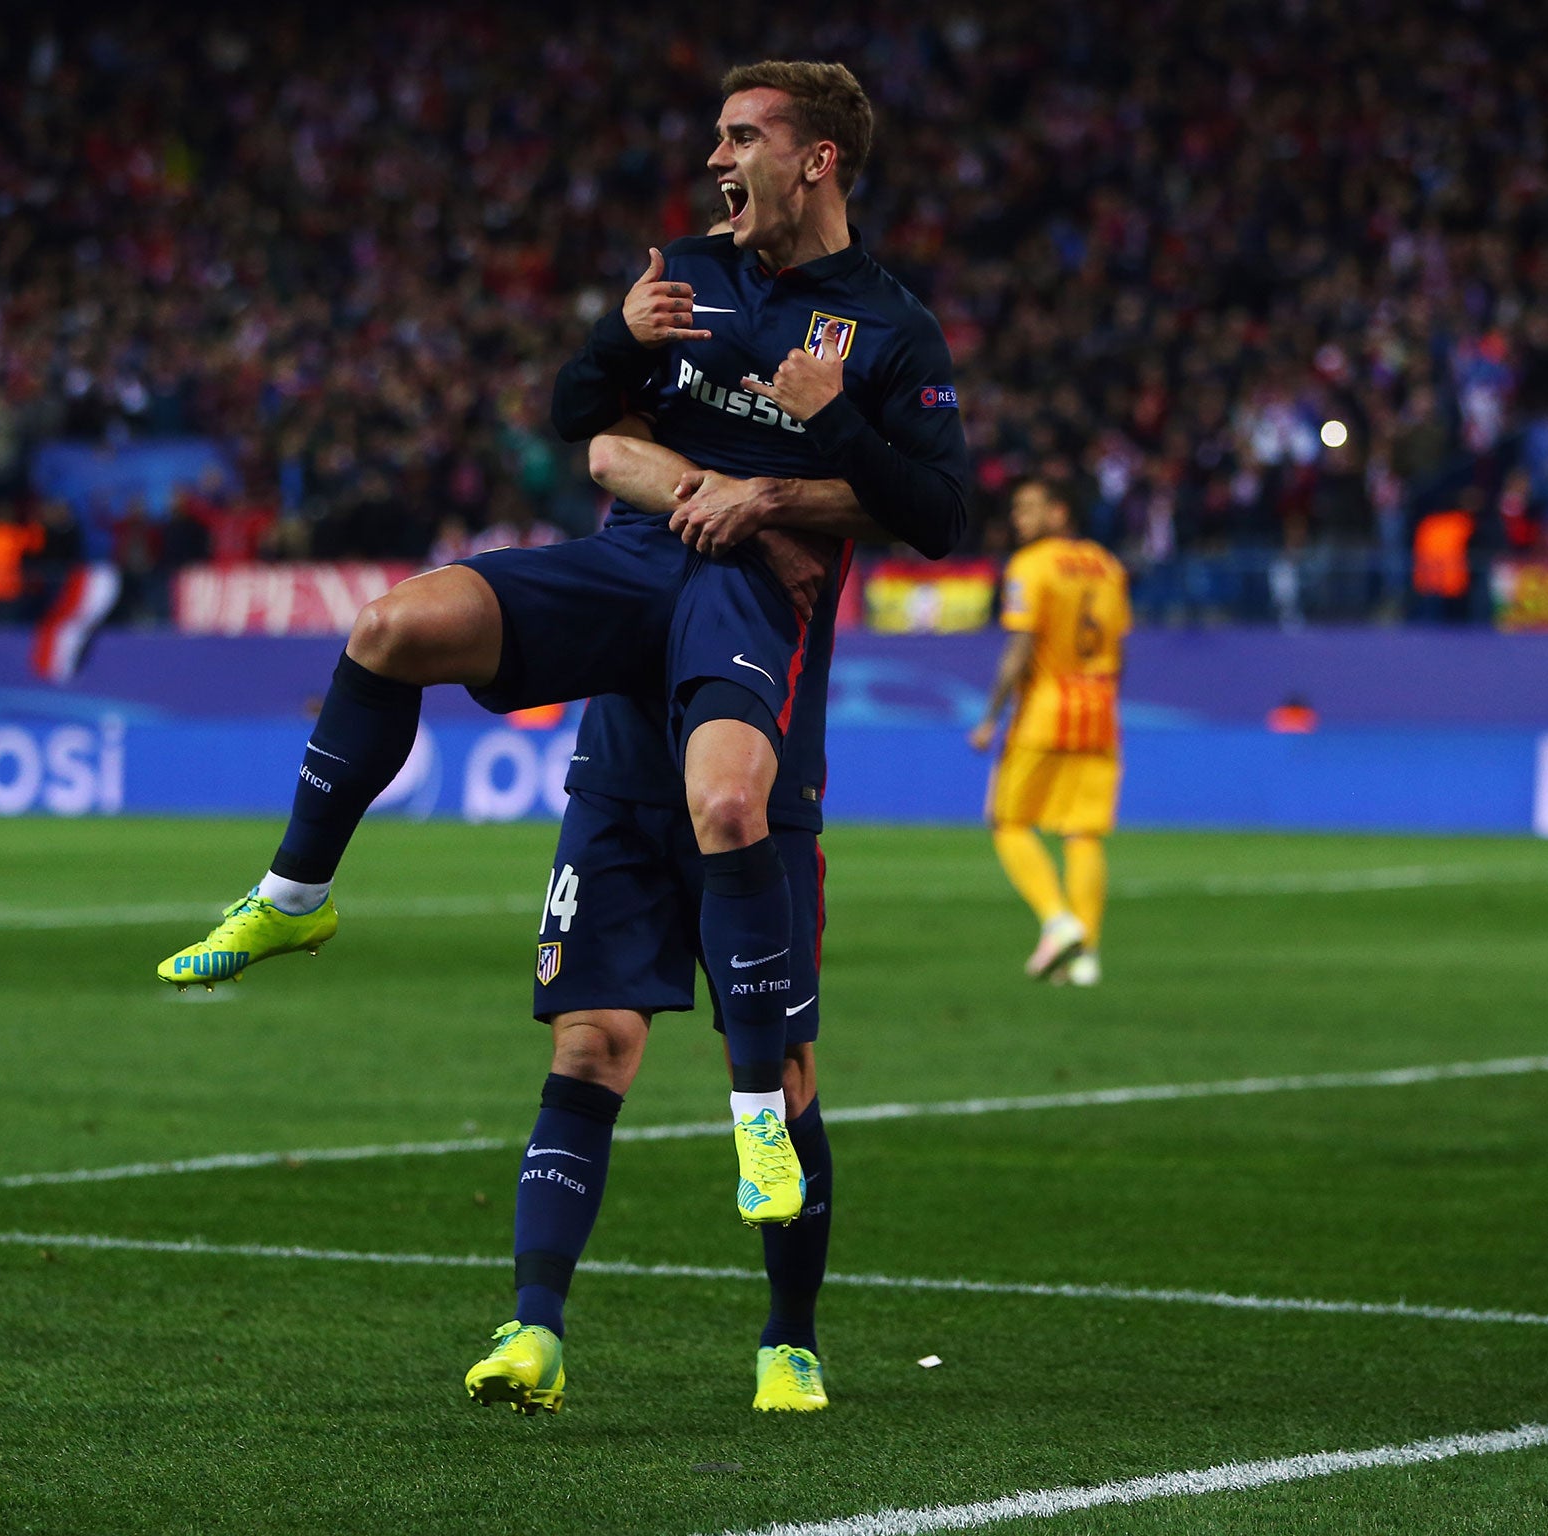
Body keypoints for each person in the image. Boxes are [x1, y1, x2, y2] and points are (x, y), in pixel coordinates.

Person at [155, 62, 966, 1247]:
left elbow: (937, 517)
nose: (714, 161)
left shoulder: (891, 327)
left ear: (815, 158)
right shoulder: (684, 277)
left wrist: (825, 425)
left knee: (729, 807)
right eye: (715, 138)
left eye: (740, 138)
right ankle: (294, 895)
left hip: (743, 589)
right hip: (642, 555)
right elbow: (581, 420)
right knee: (387, 630)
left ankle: (752, 1117)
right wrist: (617, 340)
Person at [462, 405, 862, 1416]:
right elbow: (596, 436)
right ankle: (535, 1326)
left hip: (758, 807)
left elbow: (918, 500)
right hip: (617, 789)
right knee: (589, 1045)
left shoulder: (812, 476)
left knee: (782, 1069)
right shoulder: (655, 451)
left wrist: (772, 501)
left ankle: (789, 1341)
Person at [969, 479, 1130, 987]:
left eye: (1030, 508)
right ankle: (1086, 958)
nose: (1018, 518)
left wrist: (992, 716)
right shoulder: (1109, 567)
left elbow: (1020, 647)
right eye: (1016, 509)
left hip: (1045, 710)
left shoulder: (1031, 566)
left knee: (1007, 821)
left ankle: (1058, 921)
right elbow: (1119, 649)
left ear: (1060, 512)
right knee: (1083, 832)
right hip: (1100, 711)